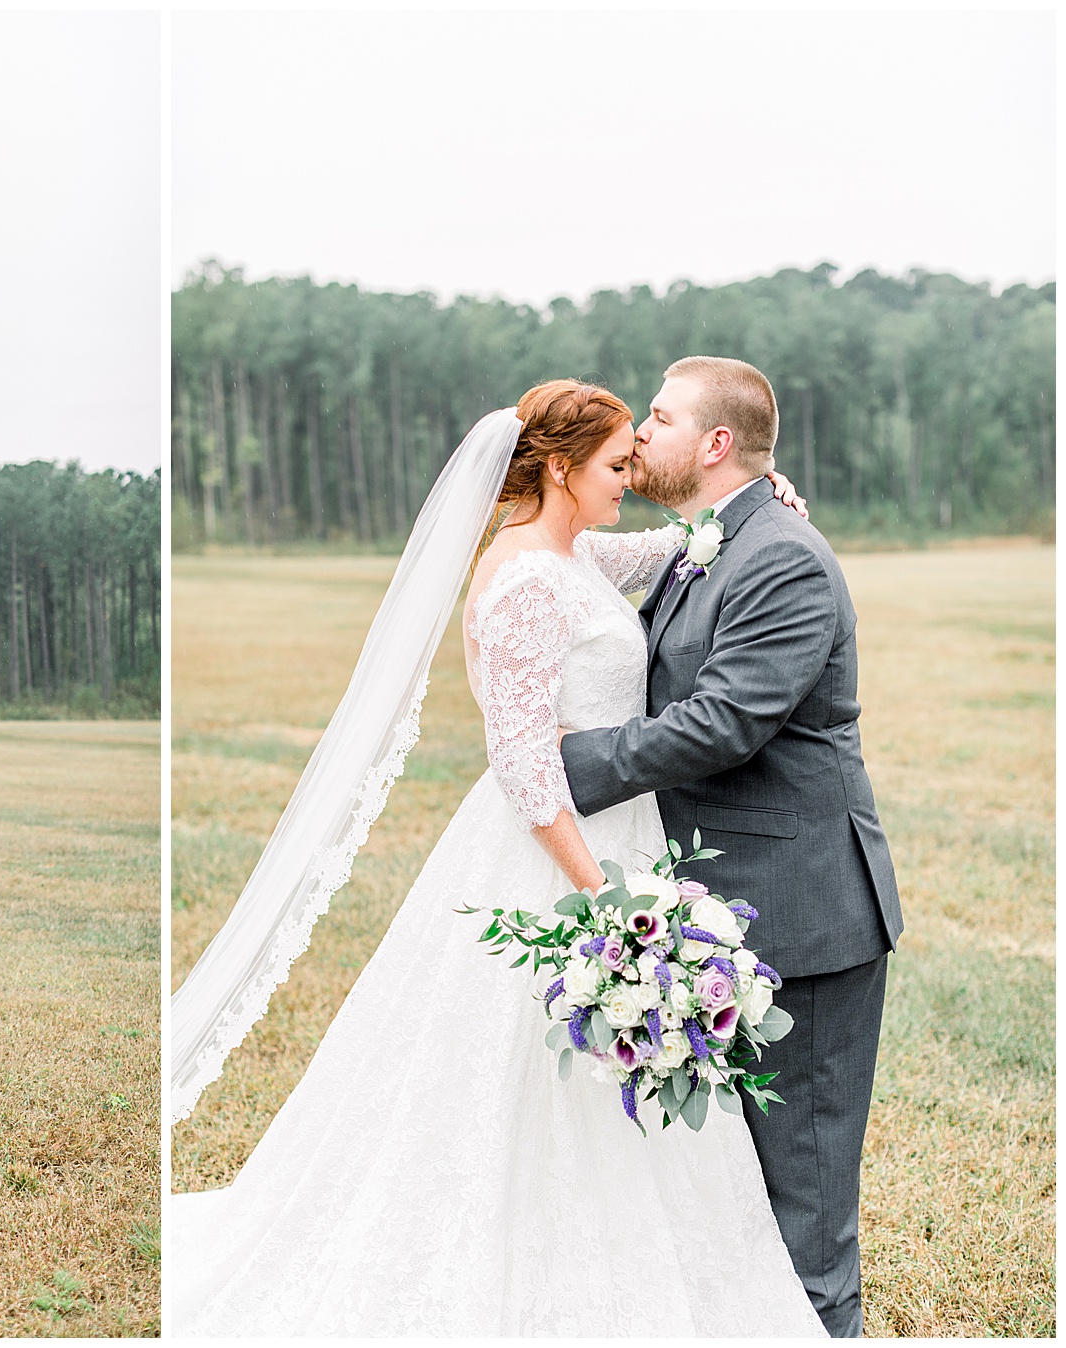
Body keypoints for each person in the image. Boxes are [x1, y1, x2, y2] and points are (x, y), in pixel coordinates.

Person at [169, 380, 825, 1336]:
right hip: (559, 855)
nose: (630, 474)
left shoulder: (582, 552)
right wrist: (607, 906)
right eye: (613, 464)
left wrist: (766, 496)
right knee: (520, 1071)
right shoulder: (520, 580)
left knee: (608, 1084)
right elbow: (522, 763)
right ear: (558, 469)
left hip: (625, 837)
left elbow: (686, 540)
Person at [560, 357, 901, 1338]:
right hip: (722, 907)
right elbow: (552, 557)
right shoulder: (703, 539)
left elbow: (721, 723)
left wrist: (562, 765)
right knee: (724, 1190)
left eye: (658, 419)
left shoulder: (781, 557)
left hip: (805, 918)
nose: (638, 437)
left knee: (803, 1200)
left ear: (714, 444)